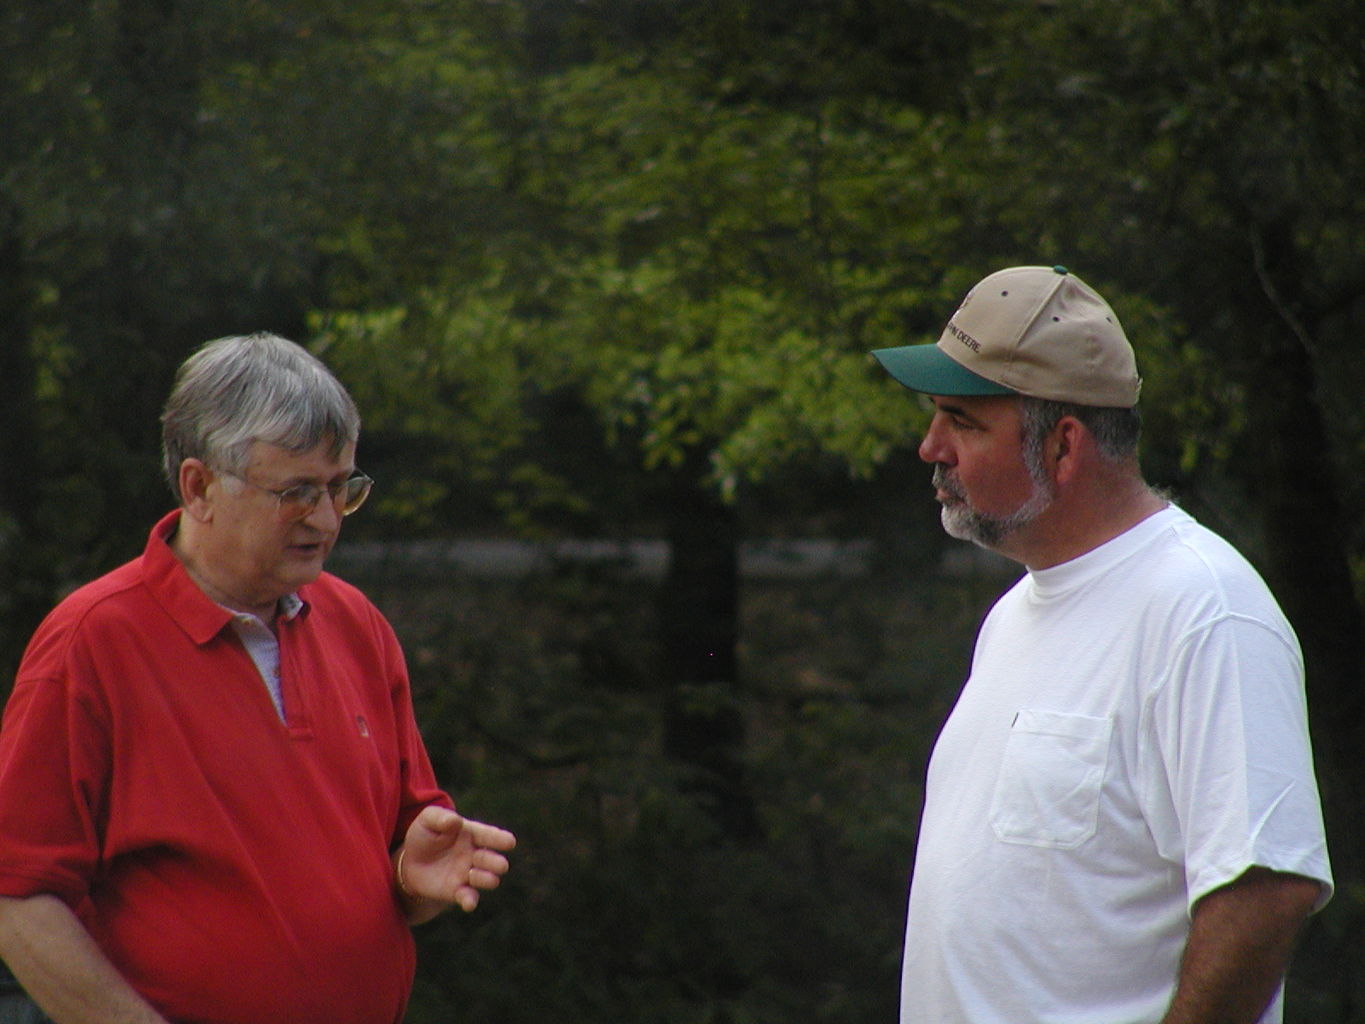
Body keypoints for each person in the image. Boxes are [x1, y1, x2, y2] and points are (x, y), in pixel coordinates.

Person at [0, 332, 516, 1024]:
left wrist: (410, 880)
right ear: (199, 486)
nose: (327, 520)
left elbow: (405, 848)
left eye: (341, 488)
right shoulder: (93, 640)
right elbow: (17, 893)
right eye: (296, 493)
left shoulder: (355, 622)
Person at [871, 266, 1332, 1024]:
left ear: (1062, 446)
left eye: (962, 420)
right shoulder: (1016, 611)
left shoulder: (1204, 610)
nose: (930, 448)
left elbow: (1265, 892)